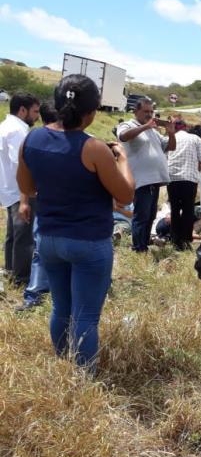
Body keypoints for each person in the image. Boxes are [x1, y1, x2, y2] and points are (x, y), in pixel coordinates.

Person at [16, 74, 134, 373]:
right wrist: (121, 159)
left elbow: (27, 188)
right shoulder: (94, 148)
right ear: (92, 111)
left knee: (61, 308)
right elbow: (125, 194)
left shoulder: (32, 139)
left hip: (50, 238)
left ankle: (62, 363)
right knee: (85, 316)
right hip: (88, 241)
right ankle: (83, 378)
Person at [117, 97, 176, 252]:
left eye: (151, 112)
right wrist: (145, 126)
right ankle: (138, 248)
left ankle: (144, 244)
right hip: (141, 180)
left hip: (155, 180)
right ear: (136, 111)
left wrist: (171, 133)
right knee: (141, 216)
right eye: (146, 112)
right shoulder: (128, 125)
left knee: (150, 216)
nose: (150, 115)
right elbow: (123, 136)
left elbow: (171, 146)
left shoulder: (152, 131)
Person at [16, 102, 57, 311]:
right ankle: (37, 294)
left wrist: (24, 201)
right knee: (41, 248)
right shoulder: (35, 140)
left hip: (50, 204)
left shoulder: (34, 139)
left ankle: (39, 294)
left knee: (43, 248)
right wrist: (24, 201)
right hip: (46, 203)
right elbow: (26, 174)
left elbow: (26, 175)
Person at [0, 93, 40, 285]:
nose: (37, 116)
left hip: (9, 189)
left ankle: (10, 270)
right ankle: (21, 279)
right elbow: (21, 164)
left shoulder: (6, 126)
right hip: (19, 190)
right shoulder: (17, 131)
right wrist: (30, 191)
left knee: (13, 235)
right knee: (24, 237)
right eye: (35, 111)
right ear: (22, 110)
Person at [166, 120, 201, 250]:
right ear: (186, 128)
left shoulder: (169, 139)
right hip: (189, 179)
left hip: (172, 179)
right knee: (188, 210)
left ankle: (174, 240)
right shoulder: (195, 138)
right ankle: (185, 240)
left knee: (175, 210)